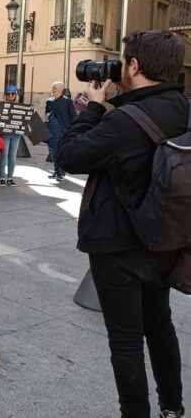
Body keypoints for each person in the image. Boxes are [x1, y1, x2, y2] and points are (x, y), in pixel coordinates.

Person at [58, 30, 186, 418]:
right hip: (166, 240)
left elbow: (69, 155)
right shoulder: (186, 108)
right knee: (160, 325)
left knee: (126, 341)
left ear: (133, 65)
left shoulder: (125, 120)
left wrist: (95, 107)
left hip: (118, 247)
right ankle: (173, 409)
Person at [45, 81, 77, 181]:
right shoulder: (49, 101)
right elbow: (46, 114)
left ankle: (61, 173)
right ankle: (56, 171)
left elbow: (73, 116)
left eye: (55, 88)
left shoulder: (67, 101)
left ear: (61, 90)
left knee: (61, 152)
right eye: (52, 87)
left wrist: (73, 130)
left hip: (64, 131)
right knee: (53, 152)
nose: (52, 90)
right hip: (52, 131)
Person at [0, 85, 22, 186]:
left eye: (13, 93)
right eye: (8, 93)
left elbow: (26, 118)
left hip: (16, 134)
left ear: (16, 95)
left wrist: (32, 112)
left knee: (12, 156)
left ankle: (10, 177)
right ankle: (2, 177)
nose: (10, 95)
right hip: (4, 133)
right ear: (5, 95)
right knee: (4, 155)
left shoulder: (20, 106)